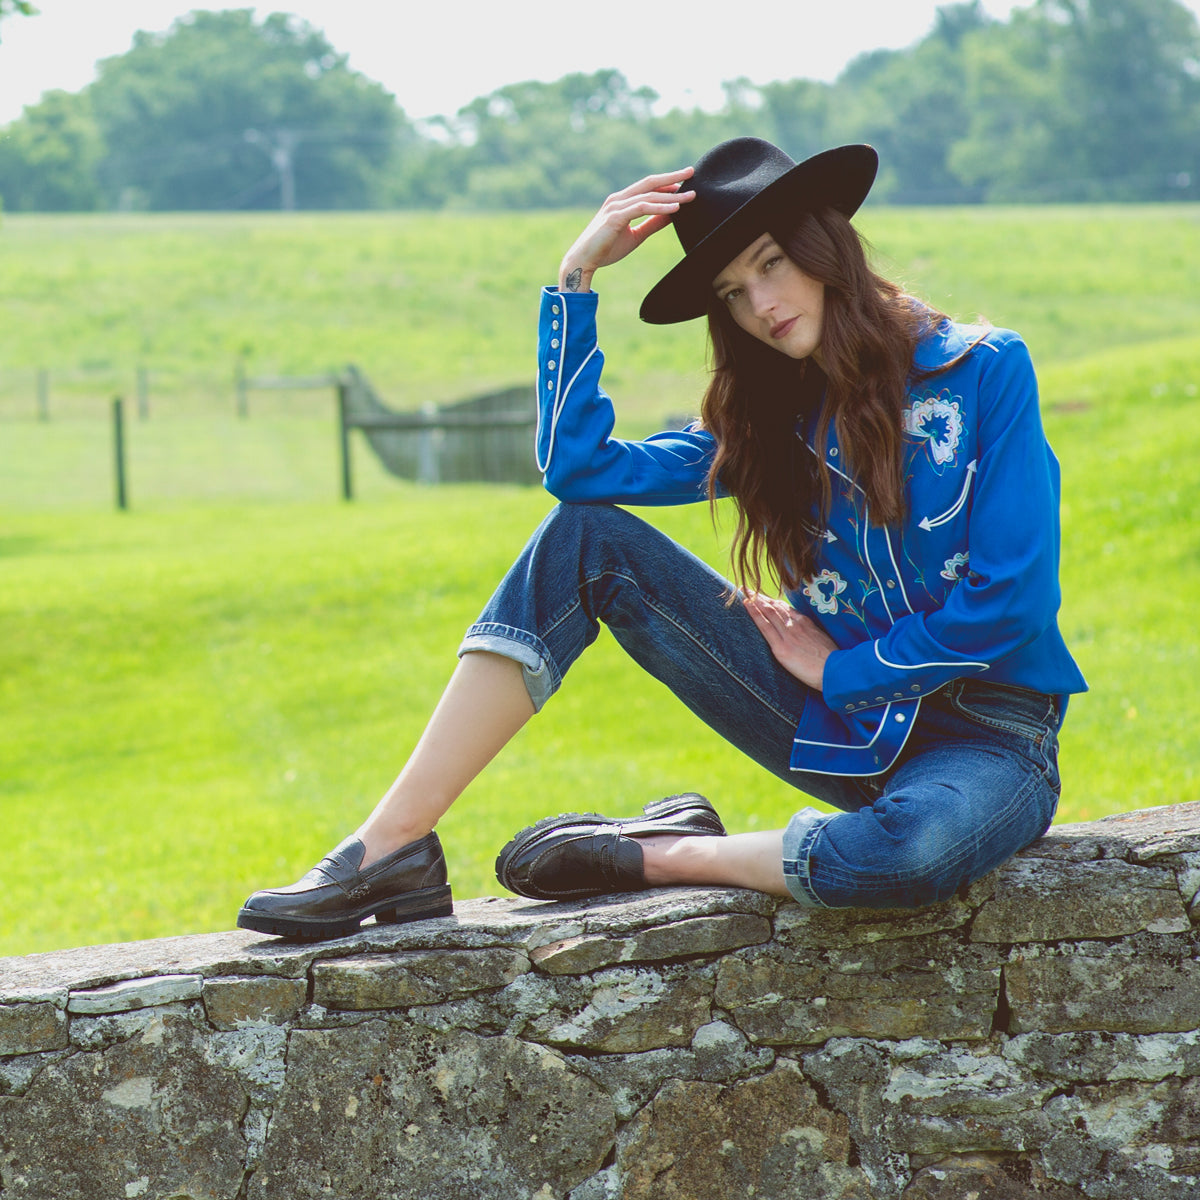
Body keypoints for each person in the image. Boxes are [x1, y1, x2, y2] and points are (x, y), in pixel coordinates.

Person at [237, 137, 1087, 941]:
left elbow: (1011, 602)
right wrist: (575, 278)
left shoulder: (982, 371)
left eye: (771, 264)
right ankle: (391, 847)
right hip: (841, 729)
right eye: (731, 292)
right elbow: (581, 473)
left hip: (988, 736)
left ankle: (660, 853)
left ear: (823, 249)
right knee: (585, 539)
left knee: (905, 855)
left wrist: (841, 669)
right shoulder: (763, 419)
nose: (761, 305)